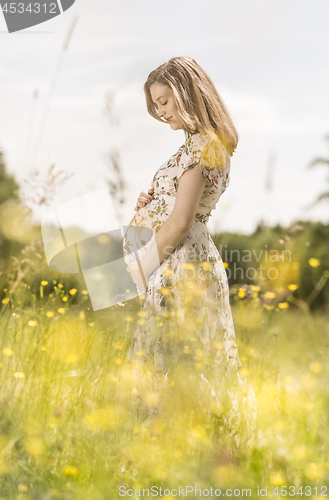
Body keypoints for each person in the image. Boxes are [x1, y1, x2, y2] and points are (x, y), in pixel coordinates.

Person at [123, 57, 260, 446]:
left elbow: (183, 222)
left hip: (181, 264)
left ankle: (191, 456)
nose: (161, 112)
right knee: (189, 357)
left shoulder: (204, 148)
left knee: (181, 359)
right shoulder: (199, 146)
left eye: (165, 101)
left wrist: (138, 271)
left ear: (188, 92)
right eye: (156, 105)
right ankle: (187, 457)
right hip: (179, 261)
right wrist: (152, 201)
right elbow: (180, 209)